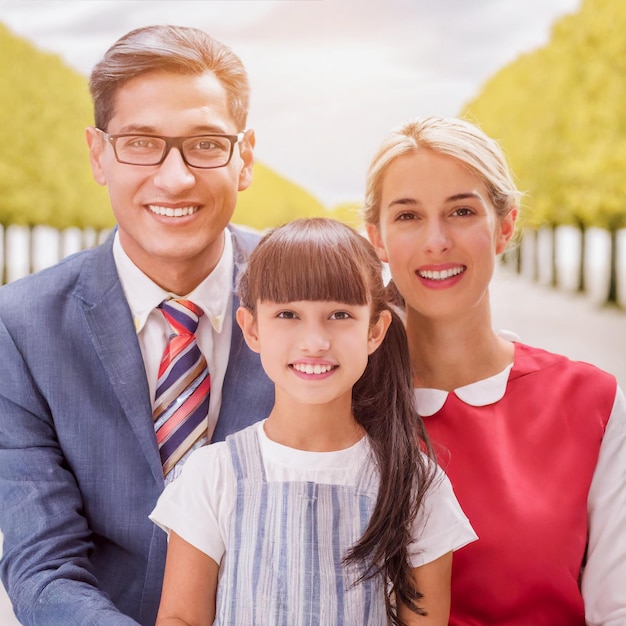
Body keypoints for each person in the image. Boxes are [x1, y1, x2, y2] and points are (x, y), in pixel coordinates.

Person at [0, 25, 274, 626]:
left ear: (244, 157)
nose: (174, 178)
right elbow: (42, 567)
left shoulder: (322, 295)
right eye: (141, 143)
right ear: (98, 155)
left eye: (205, 144)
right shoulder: (21, 327)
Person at [363, 115, 626, 626]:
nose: (436, 241)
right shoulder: (339, 402)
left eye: (461, 211)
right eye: (408, 216)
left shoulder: (592, 402)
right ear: (378, 239)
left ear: (504, 226)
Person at [149, 217, 477, 626]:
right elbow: (181, 618)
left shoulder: (413, 485)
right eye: (288, 314)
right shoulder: (212, 475)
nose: (315, 341)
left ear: (375, 330)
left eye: (339, 315)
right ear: (252, 329)